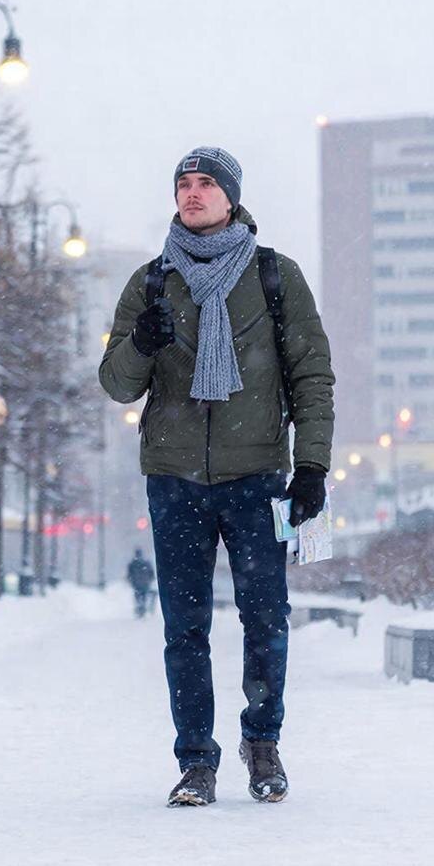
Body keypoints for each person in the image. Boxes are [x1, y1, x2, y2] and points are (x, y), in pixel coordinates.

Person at [99, 146, 335, 808]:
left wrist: (312, 464)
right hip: (174, 479)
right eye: (184, 183)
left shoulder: (273, 277)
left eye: (206, 184)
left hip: (258, 475)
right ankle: (196, 761)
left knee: (267, 618)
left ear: (231, 196)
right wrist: (140, 344)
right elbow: (117, 386)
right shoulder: (150, 282)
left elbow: (312, 378)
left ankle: (262, 744)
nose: (193, 193)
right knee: (185, 628)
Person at [126, 547, 156, 618]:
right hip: (145, 583)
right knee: (144, 595)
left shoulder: (132, 563)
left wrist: (131, 580)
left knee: (138, 595)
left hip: (136, 583)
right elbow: (151, 573)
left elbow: (129, 574)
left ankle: (140, 608)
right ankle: (142, 607)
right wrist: (150, 579)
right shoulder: (146, 563)